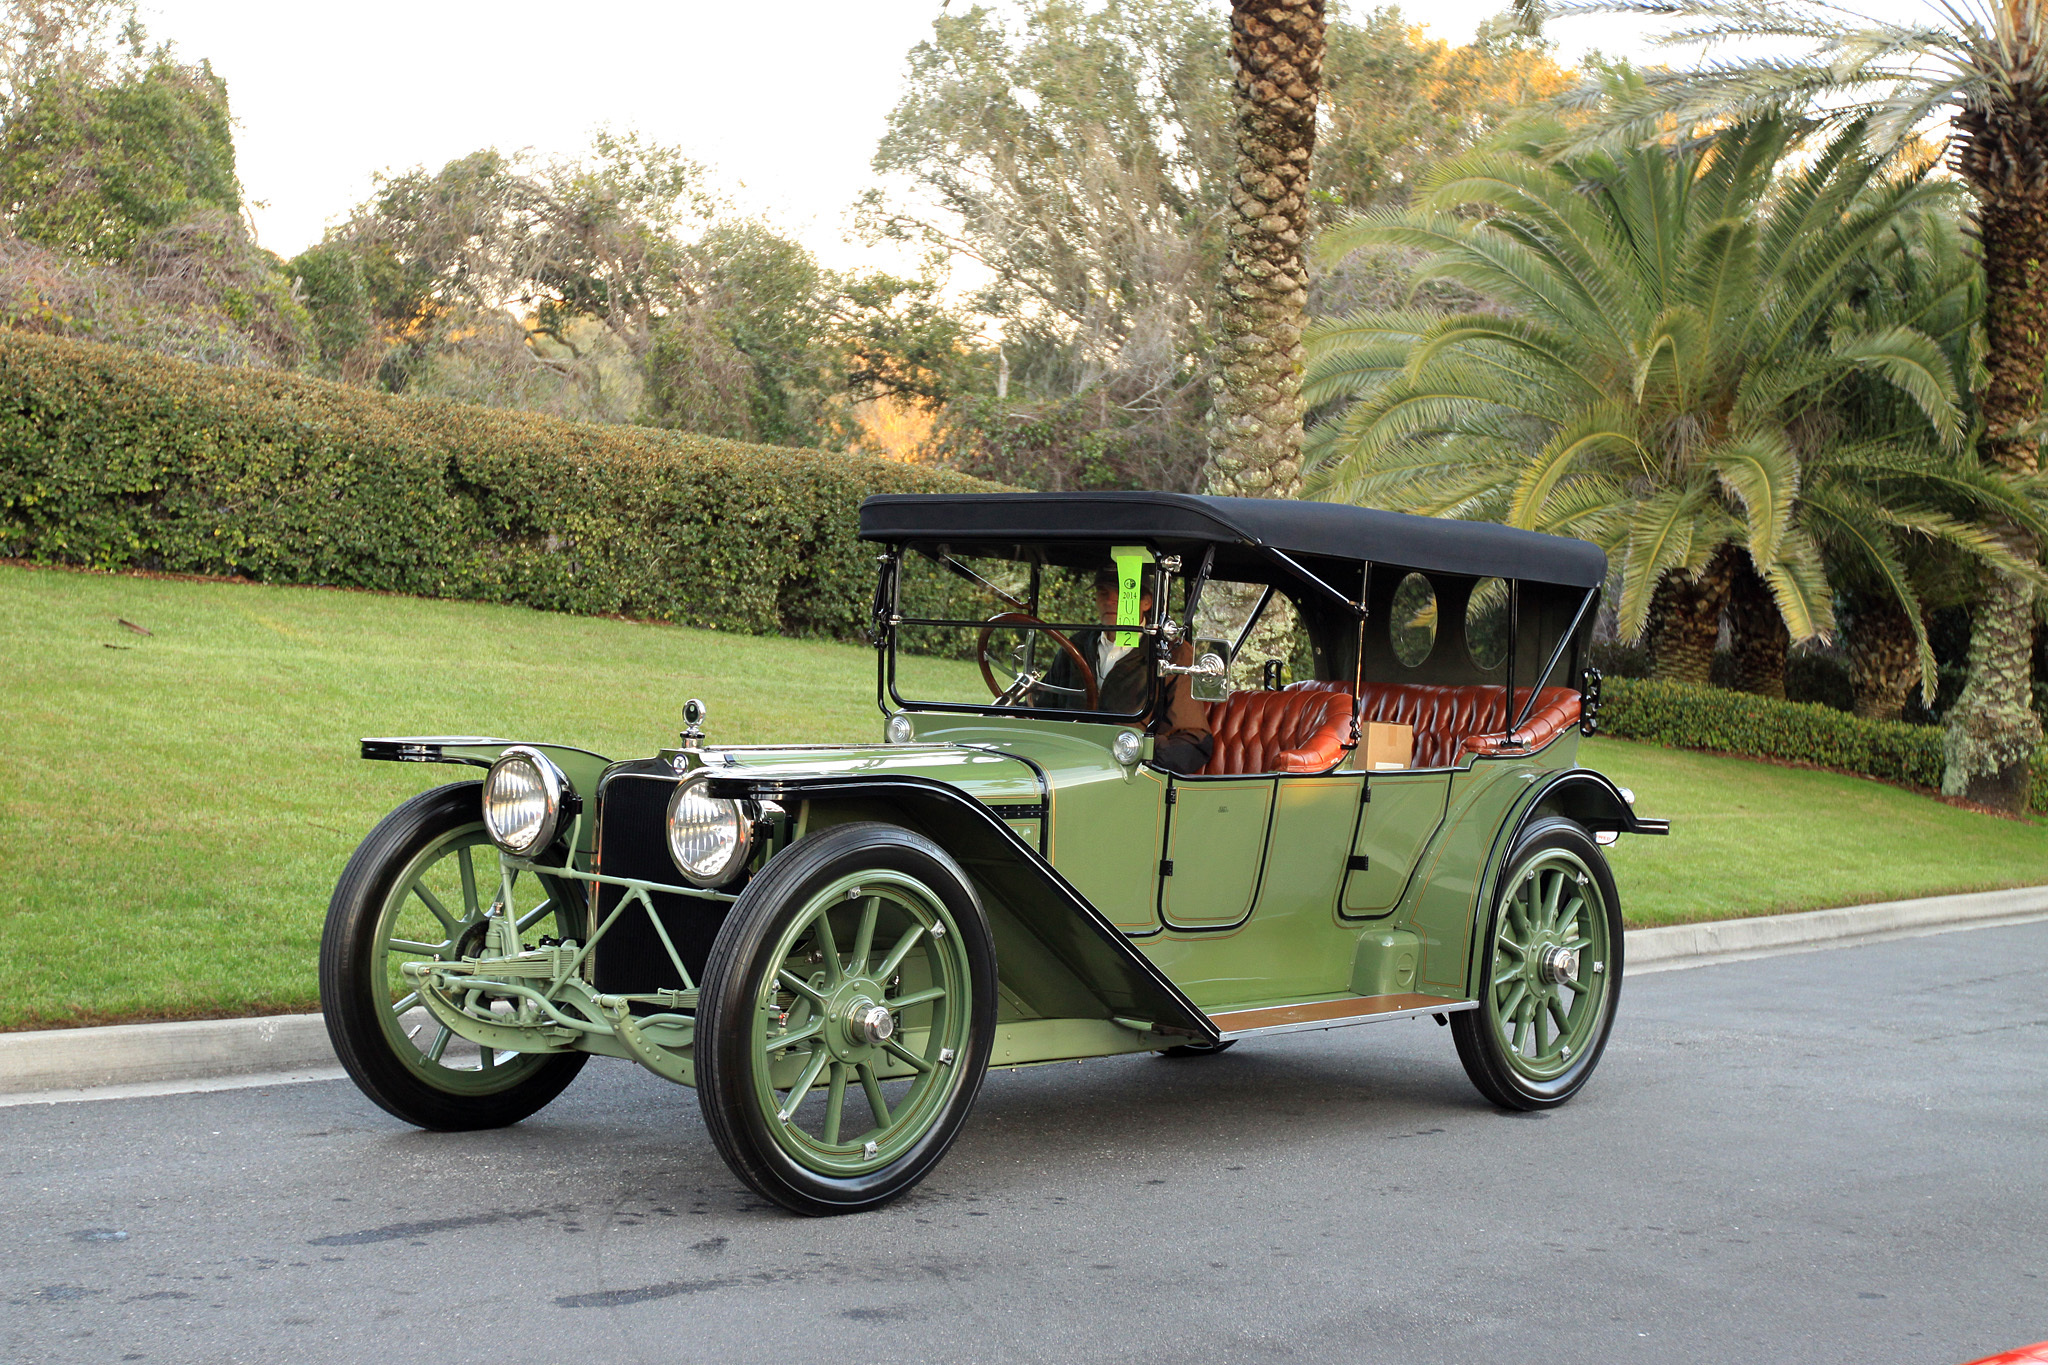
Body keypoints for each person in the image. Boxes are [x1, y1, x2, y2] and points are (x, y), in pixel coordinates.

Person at [1039, 565, 1214, 775]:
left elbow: (1192, 739)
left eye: (1122, 592)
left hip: (1130, 775)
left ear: (1146, 603)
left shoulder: (1173, 654)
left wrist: (1137, 753)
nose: (1110, 600)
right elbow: (1042, 705)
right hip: (1065, 767)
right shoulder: (1075, 646)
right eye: (1103, 592)